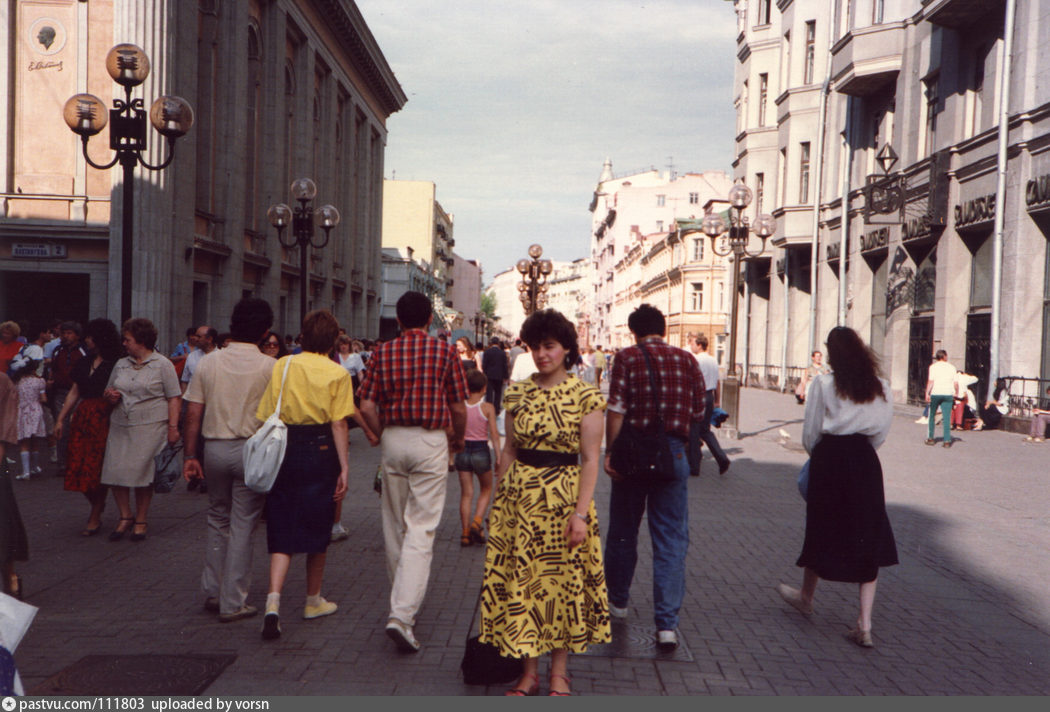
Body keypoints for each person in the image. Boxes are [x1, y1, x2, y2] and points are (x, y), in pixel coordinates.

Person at [480, 309, 609, 697]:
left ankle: (560, 673)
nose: (541, 354)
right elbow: (511, 449)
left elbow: (590, 460)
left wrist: (581, 514)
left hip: (564, 500)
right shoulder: (518, 392)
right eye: (535, 347)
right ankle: (528, 672)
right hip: (520, 503)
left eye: (549, 346)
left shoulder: (586, 395)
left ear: (566, 348)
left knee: (561, 587)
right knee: (522, 586)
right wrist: (496, 500)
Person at [358, 291, 469, 653]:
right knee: (422, 527)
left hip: (394, 440)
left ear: (400, 320)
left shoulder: (382, 352)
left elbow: (367, 403)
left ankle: (400, 604)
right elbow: (458, 404)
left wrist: (377, 432)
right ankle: (402, 615)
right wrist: (459, 440)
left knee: (394, 525)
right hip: (431, 440)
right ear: (428, 321)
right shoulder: (445, 351)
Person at [776, 326, 897, 649]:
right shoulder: (881, 386)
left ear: (832, 353)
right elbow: (881, 433)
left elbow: (811, 430)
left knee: (821, 525)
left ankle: (806, 597)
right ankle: (865, 623)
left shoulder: (824, 383)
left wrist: (818, 456)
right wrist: (862, 449)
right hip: (865, 460)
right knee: (869, 532)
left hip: (830, 457)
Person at [603, 304, 705, 651]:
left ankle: (617, 603)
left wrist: (610, 452)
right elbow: (699, 411)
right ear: (663, 328)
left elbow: (615, 409)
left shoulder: (627, 358)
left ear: (633, 331)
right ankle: (667, 626)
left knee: (622, 533)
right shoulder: (688, 360)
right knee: (671, 541)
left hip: (631, 455)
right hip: (673, 454)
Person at [255, 309, 353, 641]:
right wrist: (344, 467)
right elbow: (340, 423)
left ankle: (273, 601)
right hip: (321, 449)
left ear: (304, 336)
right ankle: (313, 600)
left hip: (285, 447)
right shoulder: (338, 373)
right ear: (332, 339)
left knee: (282, 521)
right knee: (318, 523)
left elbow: (267, 412)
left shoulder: (283, 365)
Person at [182, 298, 276, 623]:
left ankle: (213, 589)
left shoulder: (209, 363)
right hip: (252, 451)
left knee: (216, 518)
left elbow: (193, 411)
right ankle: (233, 601)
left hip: (214, 450)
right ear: (265, 332)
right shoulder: (270, 366)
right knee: (243, 524)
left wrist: (190, 455)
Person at [99, 318, 182, 542]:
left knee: (142, 474)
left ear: (141, 341)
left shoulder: (162, 364)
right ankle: (125, 516)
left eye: (127, 339)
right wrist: (109, 395)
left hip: (150, 426)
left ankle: (141, 519)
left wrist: (173, 428)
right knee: (115, 471)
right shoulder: (121, 363)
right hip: (120, 424)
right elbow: (109, 388)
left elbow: (174, 398)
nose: (124, 343)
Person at [55, 319, 122, 536]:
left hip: (106, 417)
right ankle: (96, 504)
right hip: (84, 417)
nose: (87, 340)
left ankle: (95, 513)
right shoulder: (85, 361)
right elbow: (75, 391)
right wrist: (61, 419)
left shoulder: (117, 362)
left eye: (90, 337)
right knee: (78, 466)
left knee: (97, 467)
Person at [456, 369, 499, 547]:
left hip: (462, 451)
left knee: (466, 493)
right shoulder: (487, 407)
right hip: (481, 450)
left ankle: (465, 533)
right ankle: (477, 522)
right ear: (483, 388)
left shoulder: (459, 406)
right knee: (486, 489)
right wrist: (498, 457)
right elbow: (495, 435)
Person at [0, 371, 28, 599]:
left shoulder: (2, 381)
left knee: (2, 519)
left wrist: (1, 445)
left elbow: (8, 416)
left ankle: (9, 574)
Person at [688, 333, 730, 476]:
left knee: (693, 430)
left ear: (699, 345)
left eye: (692, 343)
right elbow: (717, 382)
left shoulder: (695, 359)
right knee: (705, 430)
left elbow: (691, 380)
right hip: (709, 396)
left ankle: (694, 466)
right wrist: (717, 400)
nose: (691, 346)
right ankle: (721, 457)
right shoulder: (713, 360)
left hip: (697, 396)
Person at [48, 321, 85, 470]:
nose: (66, 336)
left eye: (69, 333)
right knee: (61, 425)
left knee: (77, 424)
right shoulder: (58, 350)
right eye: (64, 333)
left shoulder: (83, 351)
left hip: (77, 391)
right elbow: (53, 369)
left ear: (76, 335)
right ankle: (62, 462)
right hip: (61, 392)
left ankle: (77, 459)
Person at [924, 350, 958, 447]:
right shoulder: (952, 367)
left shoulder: (933, 367)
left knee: (932, 416)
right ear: (945, 356)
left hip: (935, 393)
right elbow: (955, 383)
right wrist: (956, 392)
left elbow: (931, 381)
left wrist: (927, 393)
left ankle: (930, 438)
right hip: (948, 394)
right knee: (947, 417)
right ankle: (947, 440)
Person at [180, 325, 217, 393]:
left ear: (209, 339)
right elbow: (185, 381)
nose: (195, 339)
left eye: (199, 337)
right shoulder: (191, 356)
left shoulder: (222, 356)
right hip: (192, 398)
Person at [481, 337, 509, 416]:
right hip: (499, 376)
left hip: (489, 375)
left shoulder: (487, 352)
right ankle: (496, 410)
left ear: (491, 343)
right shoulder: (502, 353)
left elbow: (484, 364)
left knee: (489, 393)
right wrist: (505, 376)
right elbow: (505, 365)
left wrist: (485, 373)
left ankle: (488, 410)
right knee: (498, 393)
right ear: (498, 343)